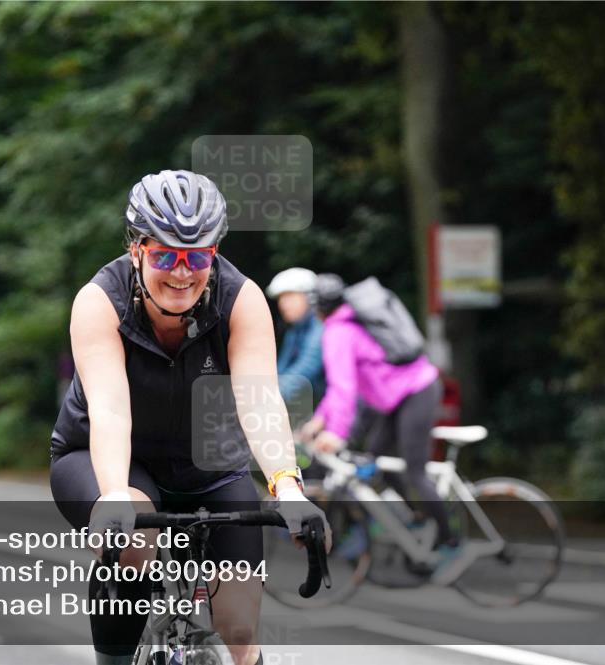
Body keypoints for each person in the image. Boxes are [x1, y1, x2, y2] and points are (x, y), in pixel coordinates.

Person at [49, 170, 330, 665]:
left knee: (241, 630)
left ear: (214, 255)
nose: (182, 272)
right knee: (134, 538)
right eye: (165, 255)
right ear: (137, 250)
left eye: (197, 256)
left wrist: (288, 488)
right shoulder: (100, 302)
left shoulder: (239, 300)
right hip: (106, 459)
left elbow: (259, 399)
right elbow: (111, 407)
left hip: (208, 466)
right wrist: (114, 496)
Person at [299, 273, 467, 584]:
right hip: (395, 398)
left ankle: (450, 541)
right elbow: (342, 390)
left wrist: (335, 432)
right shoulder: (348, 323)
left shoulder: (337, 333)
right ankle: (415, 522)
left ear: (317, 310)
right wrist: (318, 422)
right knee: (373, 460)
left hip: (416, 391)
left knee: (415, 469)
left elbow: (343, 388)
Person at [265, 268, 325, 408]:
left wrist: (266, 400)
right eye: (281, 298)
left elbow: (304, 370)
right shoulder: (296, 330)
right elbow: (281, 370)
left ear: (310, 297)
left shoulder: (321, 326)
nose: (283, 304)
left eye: (290, 296)